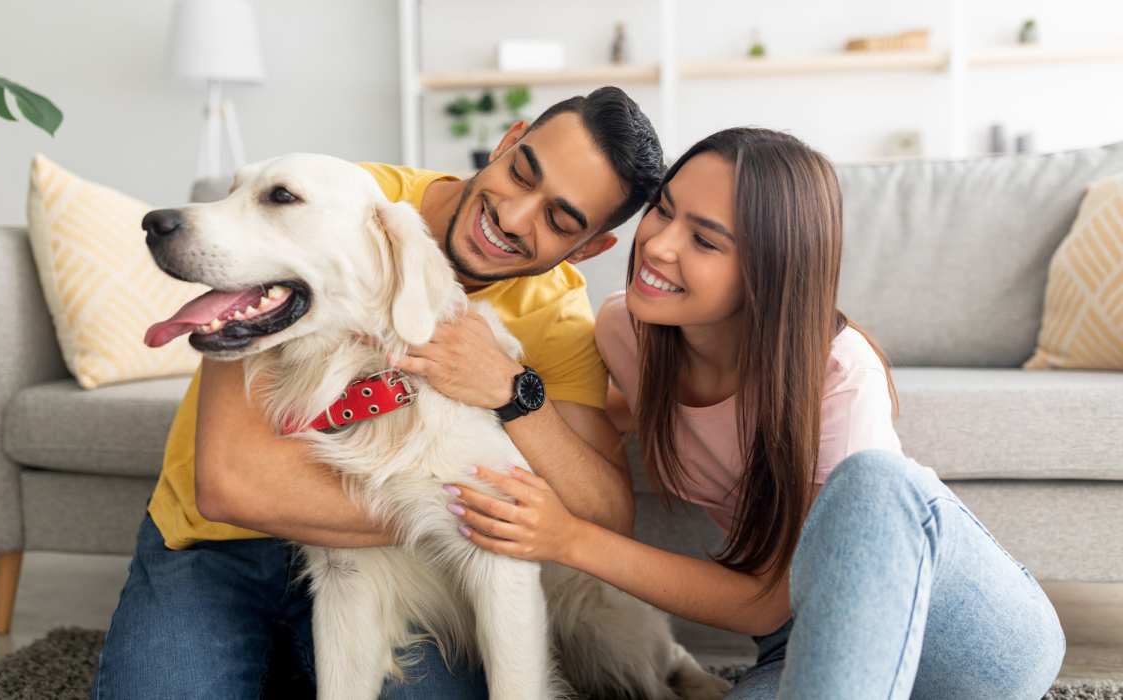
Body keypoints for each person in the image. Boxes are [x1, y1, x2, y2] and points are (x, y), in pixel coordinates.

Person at [438, 128, 1067, 699]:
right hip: (796, 650)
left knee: (875, 483)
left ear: (767, 271)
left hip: (959, 644)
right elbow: (578, 425)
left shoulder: (839, 375)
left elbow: (767, 599)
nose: (658, 245)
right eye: (664, 210)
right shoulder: (627, 334)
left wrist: (570, 539)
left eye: (704, 240)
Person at [92, 86, 665, 699]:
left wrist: (511, 390)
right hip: (217, 544)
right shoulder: (338, 197)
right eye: (522, 172)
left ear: (587, 248)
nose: (514, 216)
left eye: (559, 219)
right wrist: (470, 515)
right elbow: (230, 486)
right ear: (507, 141)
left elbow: (603, 515)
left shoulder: (555, 312)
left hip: (398, 565)